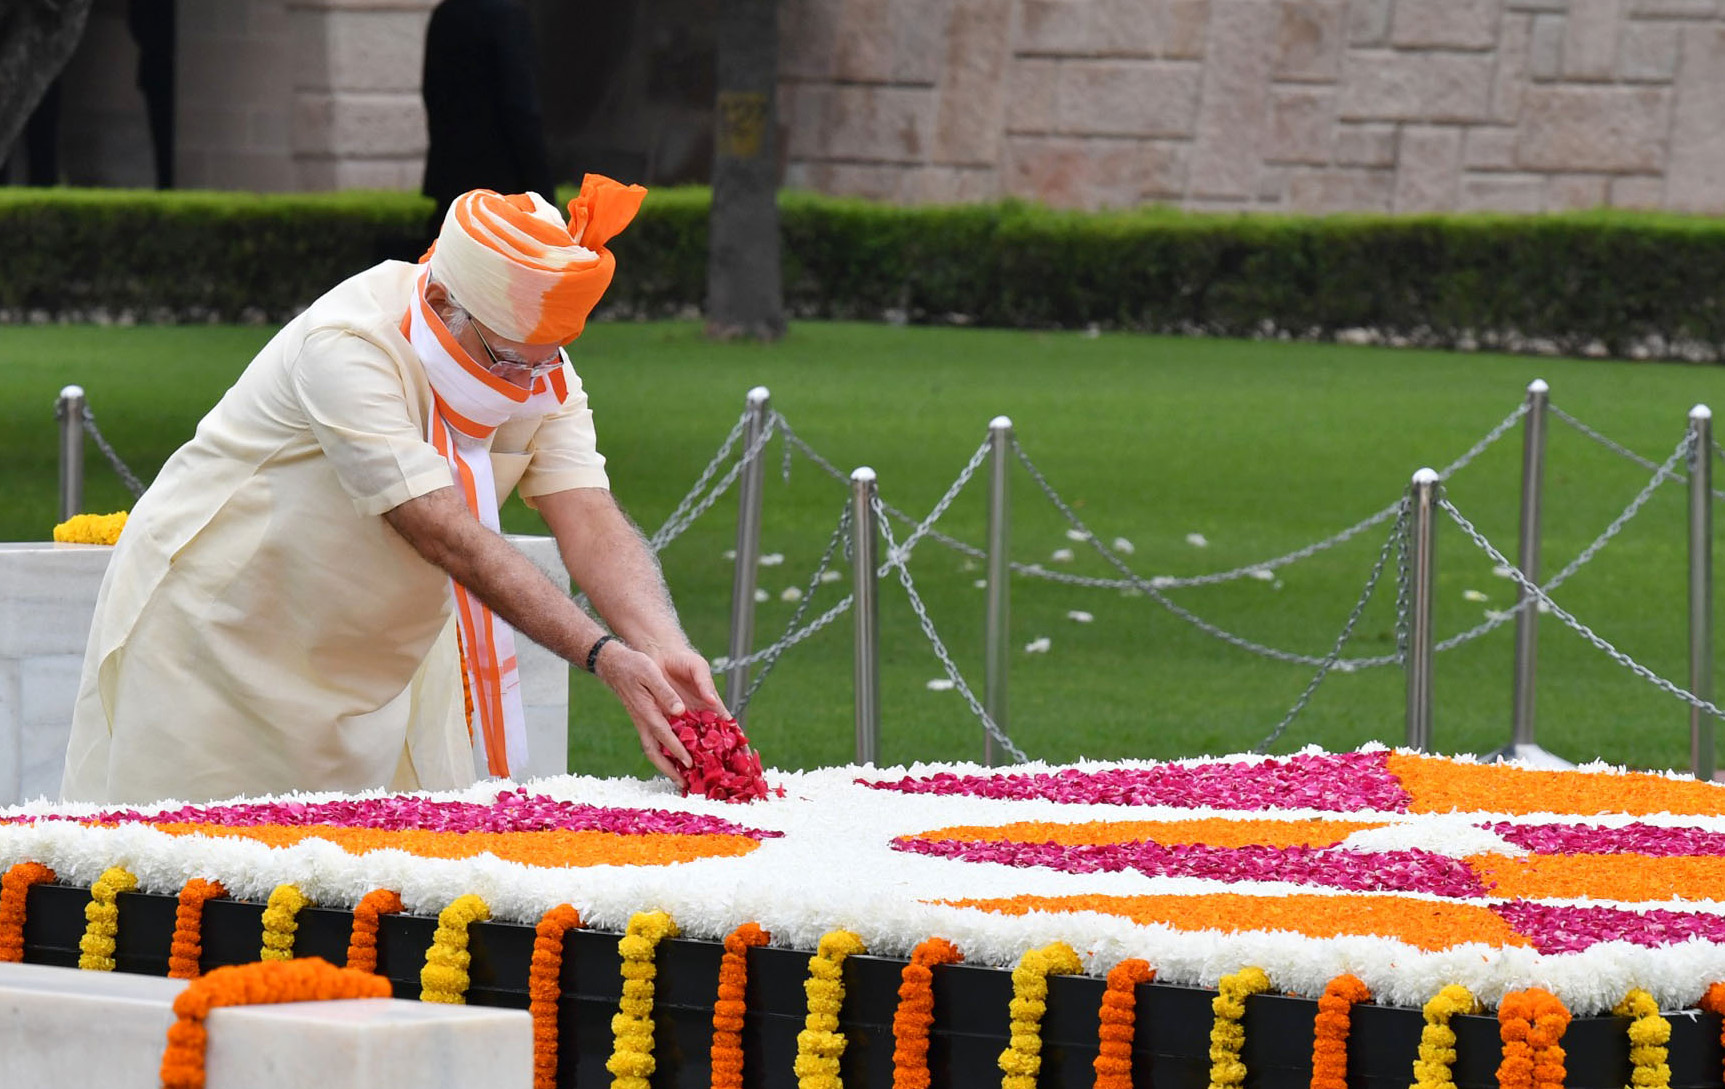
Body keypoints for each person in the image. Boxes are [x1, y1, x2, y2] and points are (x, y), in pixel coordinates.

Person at [61, 178, 715, 805]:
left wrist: (659, 643)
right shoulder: (349, 342)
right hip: (218, 641)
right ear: (442, 304)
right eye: (510, 360)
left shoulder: (538, 361)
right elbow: (442, 529)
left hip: (366, 660)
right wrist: (602, 655)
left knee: (366, 890)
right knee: (203, 888)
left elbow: (590, 517)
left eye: (547, 359)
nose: (530, 381)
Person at [421, 0, 556, 234]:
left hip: (452, 188)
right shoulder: (508, 16)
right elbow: (520, 108)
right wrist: (544, 194)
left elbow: (432, 94)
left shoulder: (446, 14)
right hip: (505, 194)